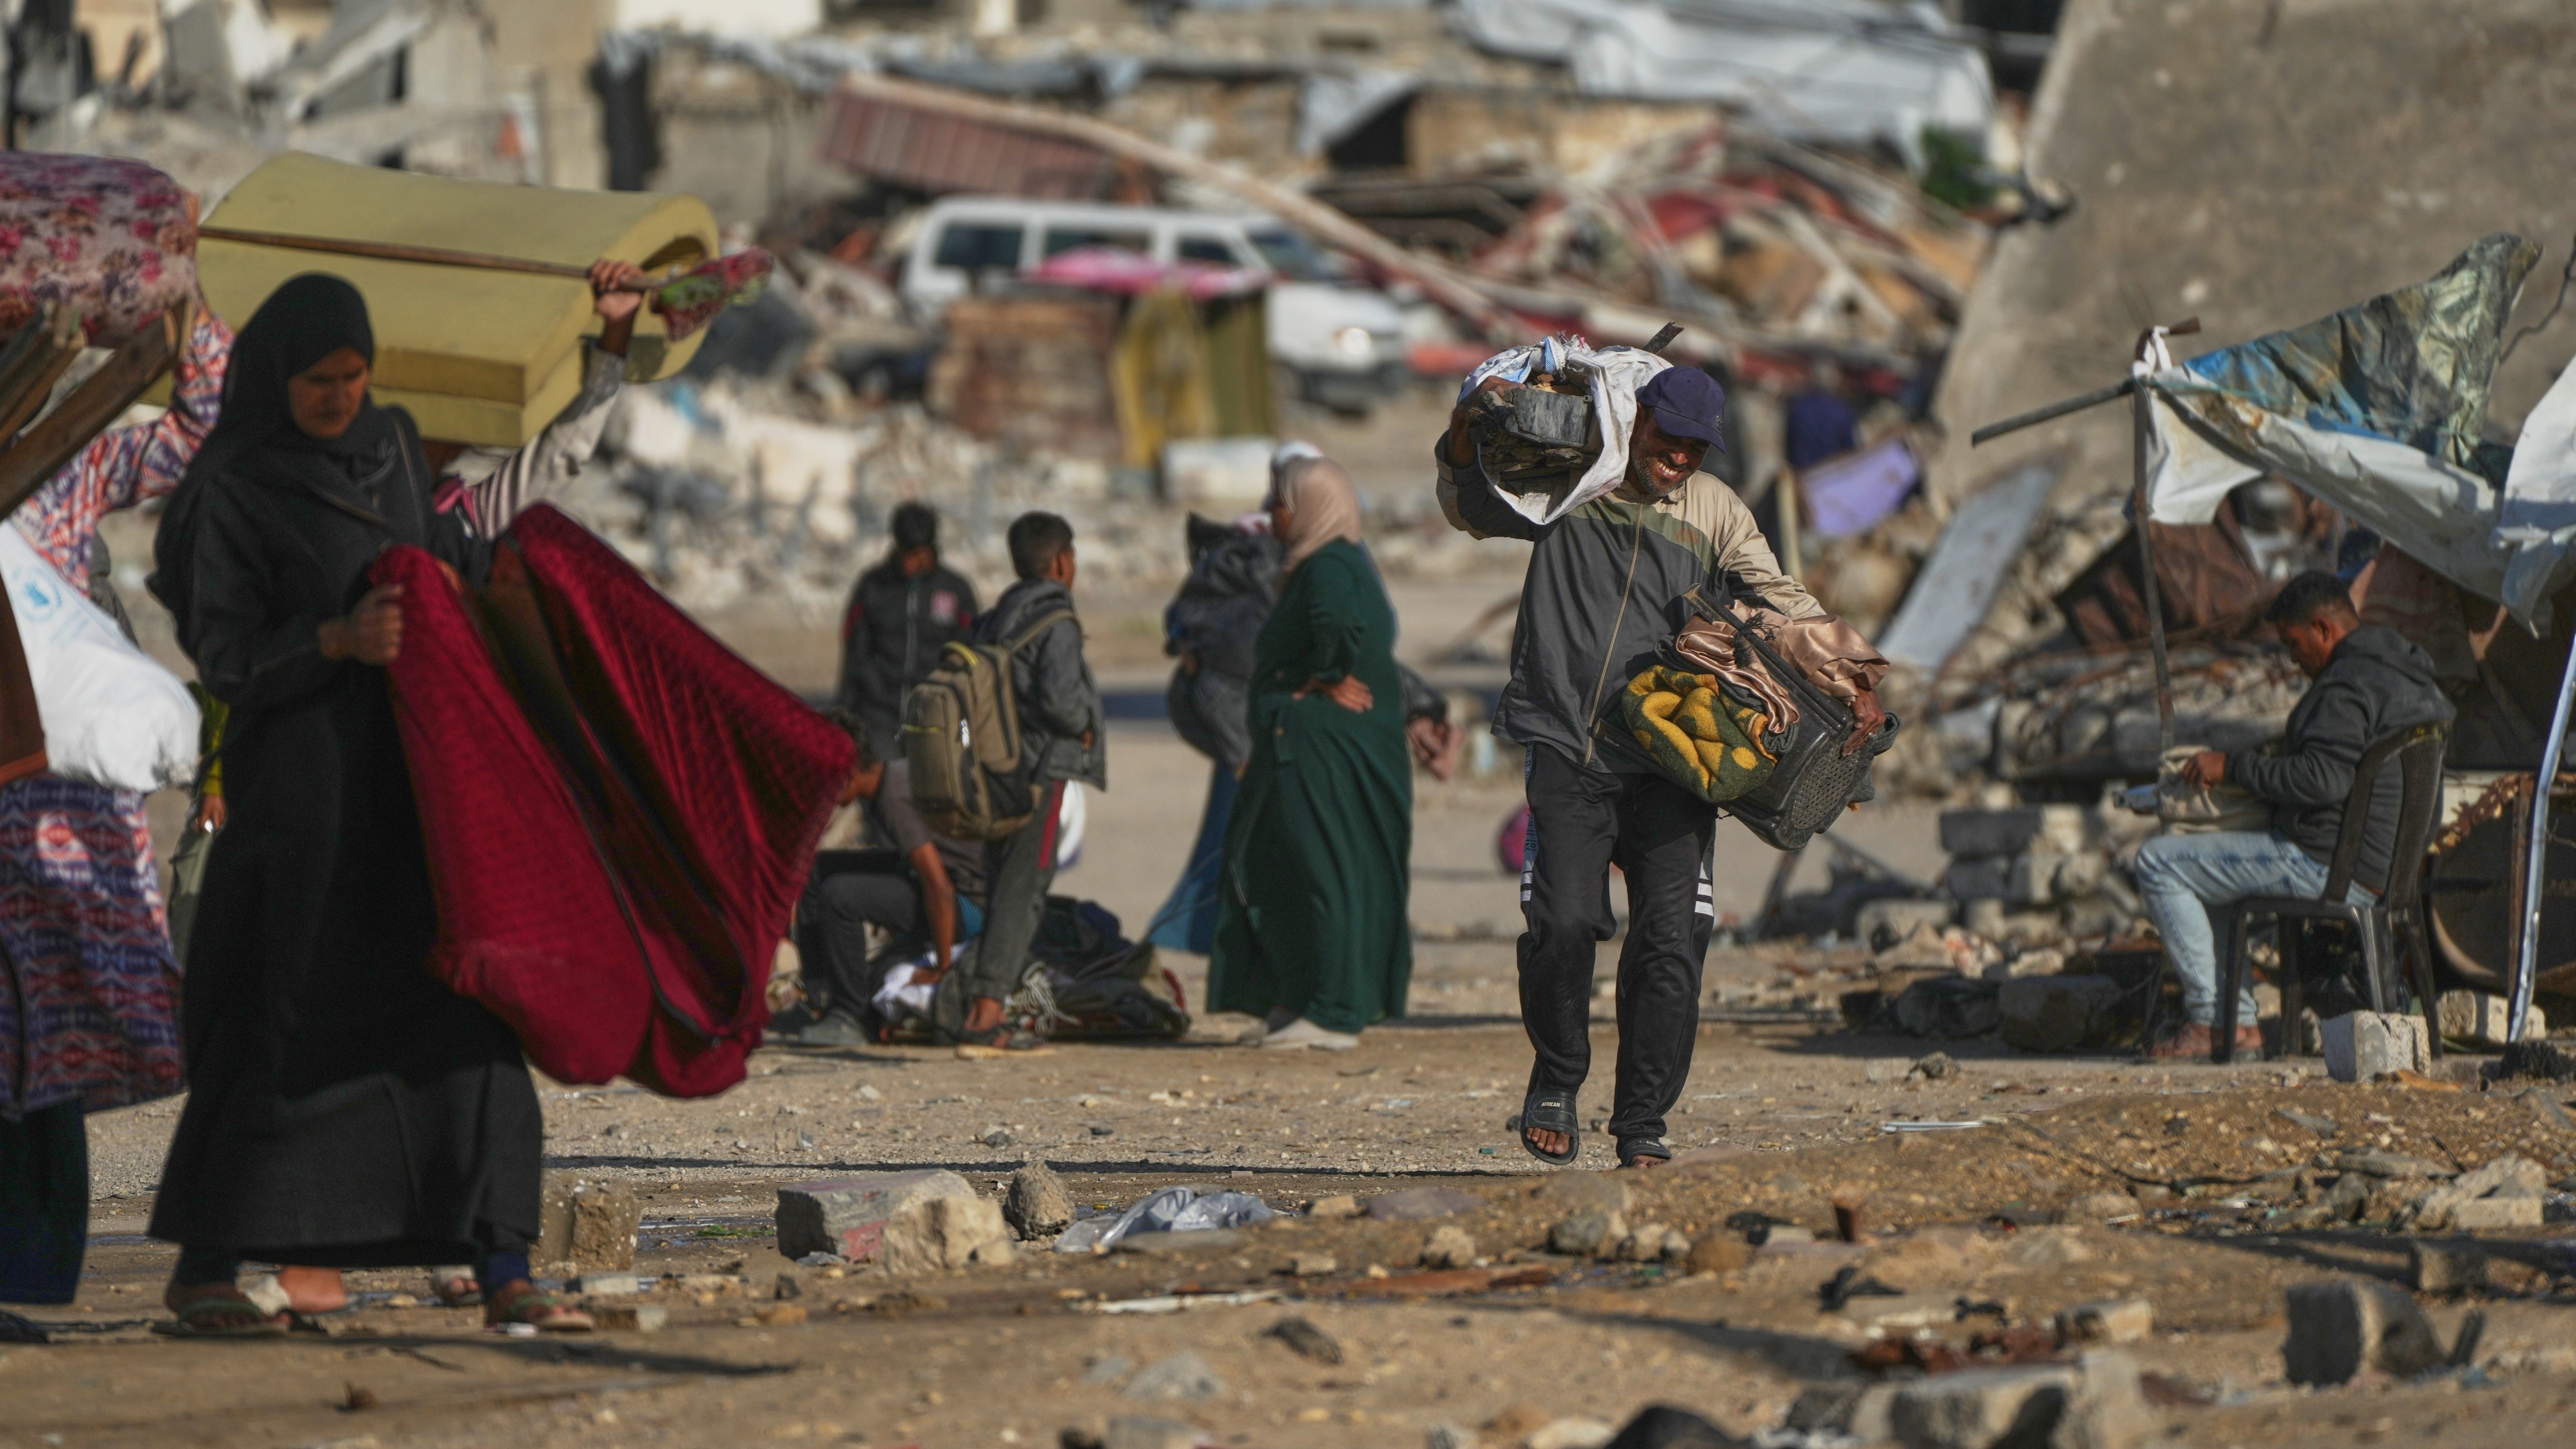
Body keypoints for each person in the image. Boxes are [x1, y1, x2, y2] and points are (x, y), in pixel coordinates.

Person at [142, 274, 586, 1336]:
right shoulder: (232, 483)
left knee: (464, 1011)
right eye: (317, 380)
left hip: (410, 794)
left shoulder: (391, 445)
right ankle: (207, 1270)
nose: (340, 396)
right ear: (274, 377)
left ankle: (504, 1268)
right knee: (274, 1021)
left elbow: (439, 560)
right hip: (298, 802)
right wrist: (332, 642)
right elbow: (221, 651)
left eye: (354, 375)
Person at [1439, 364, 1880, 1169]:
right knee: (1564, 922)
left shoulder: (1713, 510)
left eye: (1692, 450)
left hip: (1677, 756)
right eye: (1666, 442)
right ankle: (1557, 1075)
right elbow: (1470, 508)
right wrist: (1466, 429)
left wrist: (1853, 675)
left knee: (1674, 940)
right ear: (1635, 420)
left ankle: (1641, 1120)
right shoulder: (1573, 474)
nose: (1676, 461)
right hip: (1567, 742)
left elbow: (1783, 600)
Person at [0, 300, 230, 1319]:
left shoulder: (59, 476)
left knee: (42, 1040)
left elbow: (198, 426)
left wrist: (186, 306)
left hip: (51, 809)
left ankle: (26, 1273)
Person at [2135, 570, 2455, 1060]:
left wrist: (2233, 767)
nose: (2291, 658)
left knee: (2158, 862)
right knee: (2204, 865)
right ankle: (2235, 1024)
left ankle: (2211, 1020)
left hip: (2329, 867)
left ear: (2323, 629)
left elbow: (2321, 779)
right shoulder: (2408, 679)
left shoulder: (2345, 686)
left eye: (2293, 643)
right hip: (2385, 872)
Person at [1206, 453, 1413, 1050]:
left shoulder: (1327, 567)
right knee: (1288, 869)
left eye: (1279, 501)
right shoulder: (1332, 562)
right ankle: (1298, 997)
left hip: (1324, 746)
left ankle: (1332, 1009)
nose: (1272, 513)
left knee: (1327, 869)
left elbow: (1339, 626)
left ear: (1308, 506)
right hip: (1319, 743)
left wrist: (1323, 675)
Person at [932, 512, 1101, 1048]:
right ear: (1061, 561)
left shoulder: (994, 616)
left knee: (1005, 882)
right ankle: (983, 1012)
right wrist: (1084, 726)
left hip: (992, 774)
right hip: (1040, 773)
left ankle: (971, 1002)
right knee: (1022, 891)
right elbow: (1059, 698)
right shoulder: (1058, 621)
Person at [787, 714, 986, 1048]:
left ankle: (852, 1015)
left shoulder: (894, 797)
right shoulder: (890, 780)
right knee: (817, 869)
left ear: (847, 773)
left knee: (840, 896)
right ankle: (823, 1000)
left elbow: (938, 885)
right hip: (942, 887)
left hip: (967, 905)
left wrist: (943, 968)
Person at [836, 501, 980, 762]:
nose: (913, 562)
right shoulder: (873, 587)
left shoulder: (956, 590)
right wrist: (844, 714)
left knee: (929, 796)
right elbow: (854, 653)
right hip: (879, 716)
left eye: (920, 554)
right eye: (907, 554)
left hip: (935, 717)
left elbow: (973, 654)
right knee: (883, 794)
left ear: (931, 549)